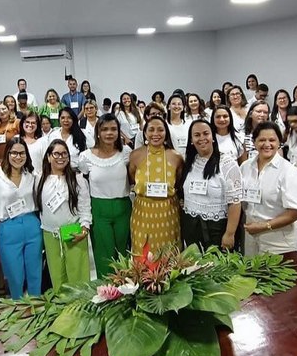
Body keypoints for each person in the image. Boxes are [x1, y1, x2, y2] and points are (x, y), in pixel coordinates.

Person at [0, 138, 42, 299]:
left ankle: (36, 308)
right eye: (14, 153)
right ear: (7, 153)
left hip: (32, 224)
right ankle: (18, 309)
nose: (18, 157)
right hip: (8, 227)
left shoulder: (32, 175)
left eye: (22, 153)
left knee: (34, 272)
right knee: (15, 275)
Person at [241, 122, 297, 255]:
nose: (267, 144)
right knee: (251, 274)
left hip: (279, 239)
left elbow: (295, 213)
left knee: (276, 275)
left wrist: (263, 226)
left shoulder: (289, 172)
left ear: (279, 142)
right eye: (261, 140)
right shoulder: (245, 167)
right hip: (251, 232)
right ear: (254, 142)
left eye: (272, 140)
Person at [78, 114, 132, 276]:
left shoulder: (126, 153)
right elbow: (83, 183)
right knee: (104, 254)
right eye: (105, 129)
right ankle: (107, 293)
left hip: (123, 207)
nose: (109, 133)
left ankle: (126, 292)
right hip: (99, 209)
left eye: (114, 129)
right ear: (98, 133)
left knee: (123, 253)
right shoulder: (86, 157)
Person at [35, 140, 93, 288]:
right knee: (57, 276)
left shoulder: (76, 178)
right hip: (50, 233)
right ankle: (62, 309)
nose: (61, 157)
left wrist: (84, 229)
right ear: (48, 156)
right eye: (56, 154)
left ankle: (80, 309)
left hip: (72, 231)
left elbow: (85, 206)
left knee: (78, 277)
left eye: (64, 153)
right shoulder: (40, 178)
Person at [180, 120, 243, 250]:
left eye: (206, 134)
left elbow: (235, 202)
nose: (202, 138)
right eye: (197, 135)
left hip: (217, 228)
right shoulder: (190, 162)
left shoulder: (227, 164)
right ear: (191, 140)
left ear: (212, 137)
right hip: (191, 225)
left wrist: (229, 234)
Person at [128, 116, 183, 254]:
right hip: (143, 213)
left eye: (160, 130)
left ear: (166, 133)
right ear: (145, 133)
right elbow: (132, 178)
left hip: (168, 213)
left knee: (168, 256)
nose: (155, 134)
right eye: (151, 130)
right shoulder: (135, 155)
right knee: (143, 255)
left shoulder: (176, 157)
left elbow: (179, 181)